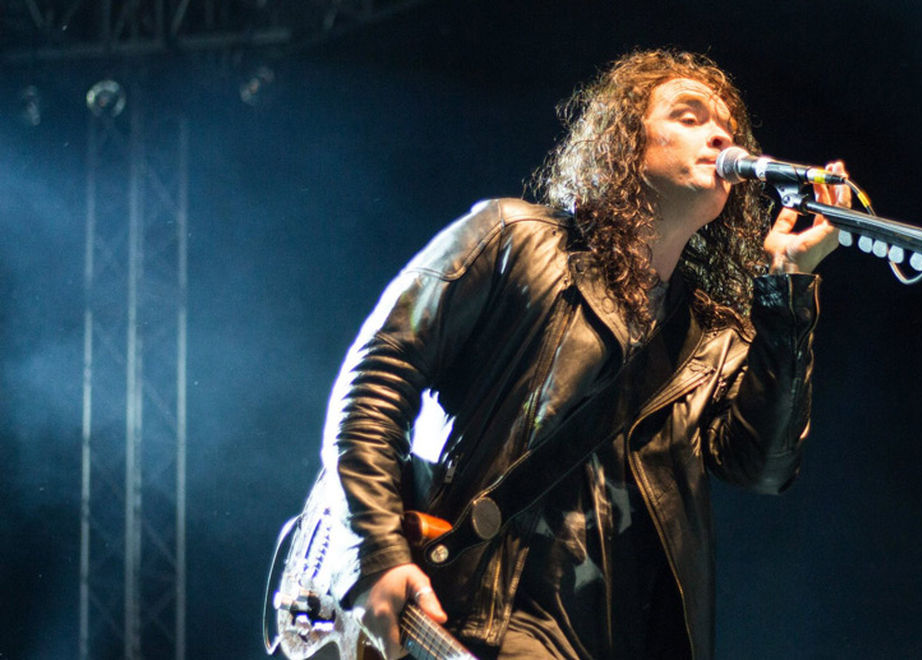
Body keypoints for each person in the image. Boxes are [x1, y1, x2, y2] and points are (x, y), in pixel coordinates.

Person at [321, 49, 851, 659]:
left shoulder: (711, 340)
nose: (719, 136)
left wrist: (787, 284)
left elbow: (763, 466)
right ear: (623, 141)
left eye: (728, 128)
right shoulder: (515, 239)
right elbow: (378, 374)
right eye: (688, 117)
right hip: (481, 621)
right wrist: (375, 550)